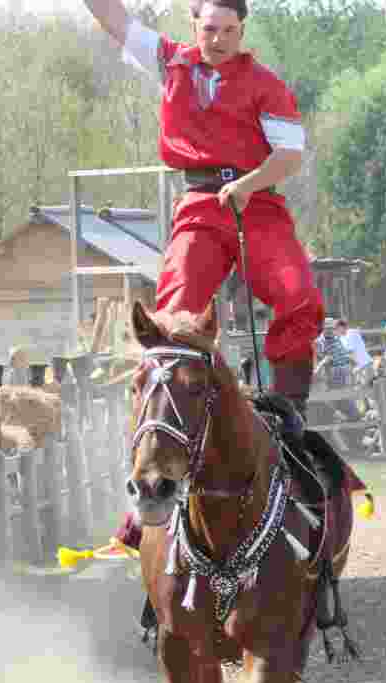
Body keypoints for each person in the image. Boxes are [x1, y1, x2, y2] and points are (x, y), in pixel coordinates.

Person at [83, 0, 322, 419]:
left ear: (242, 31)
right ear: (194, 24)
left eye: (229, 31)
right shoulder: (169, 61)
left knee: (297, 294)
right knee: (175, 309)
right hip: (200, 204)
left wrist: (247, 185)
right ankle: (168, 414)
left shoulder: (264, 83)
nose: (219, 39)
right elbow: (112, 17)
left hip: (257, 200)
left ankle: (290, 409)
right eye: (210, 29)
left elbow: (290, 155)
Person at [335, 317, 373, 387]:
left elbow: (350, 351)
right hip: (359, 365)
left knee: (365, 386)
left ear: (342, 327)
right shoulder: (342, 338)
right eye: (335, 329)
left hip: (365, 364)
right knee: (360, 387)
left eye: (337, 328)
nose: (336, 330)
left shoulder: (350, 333)